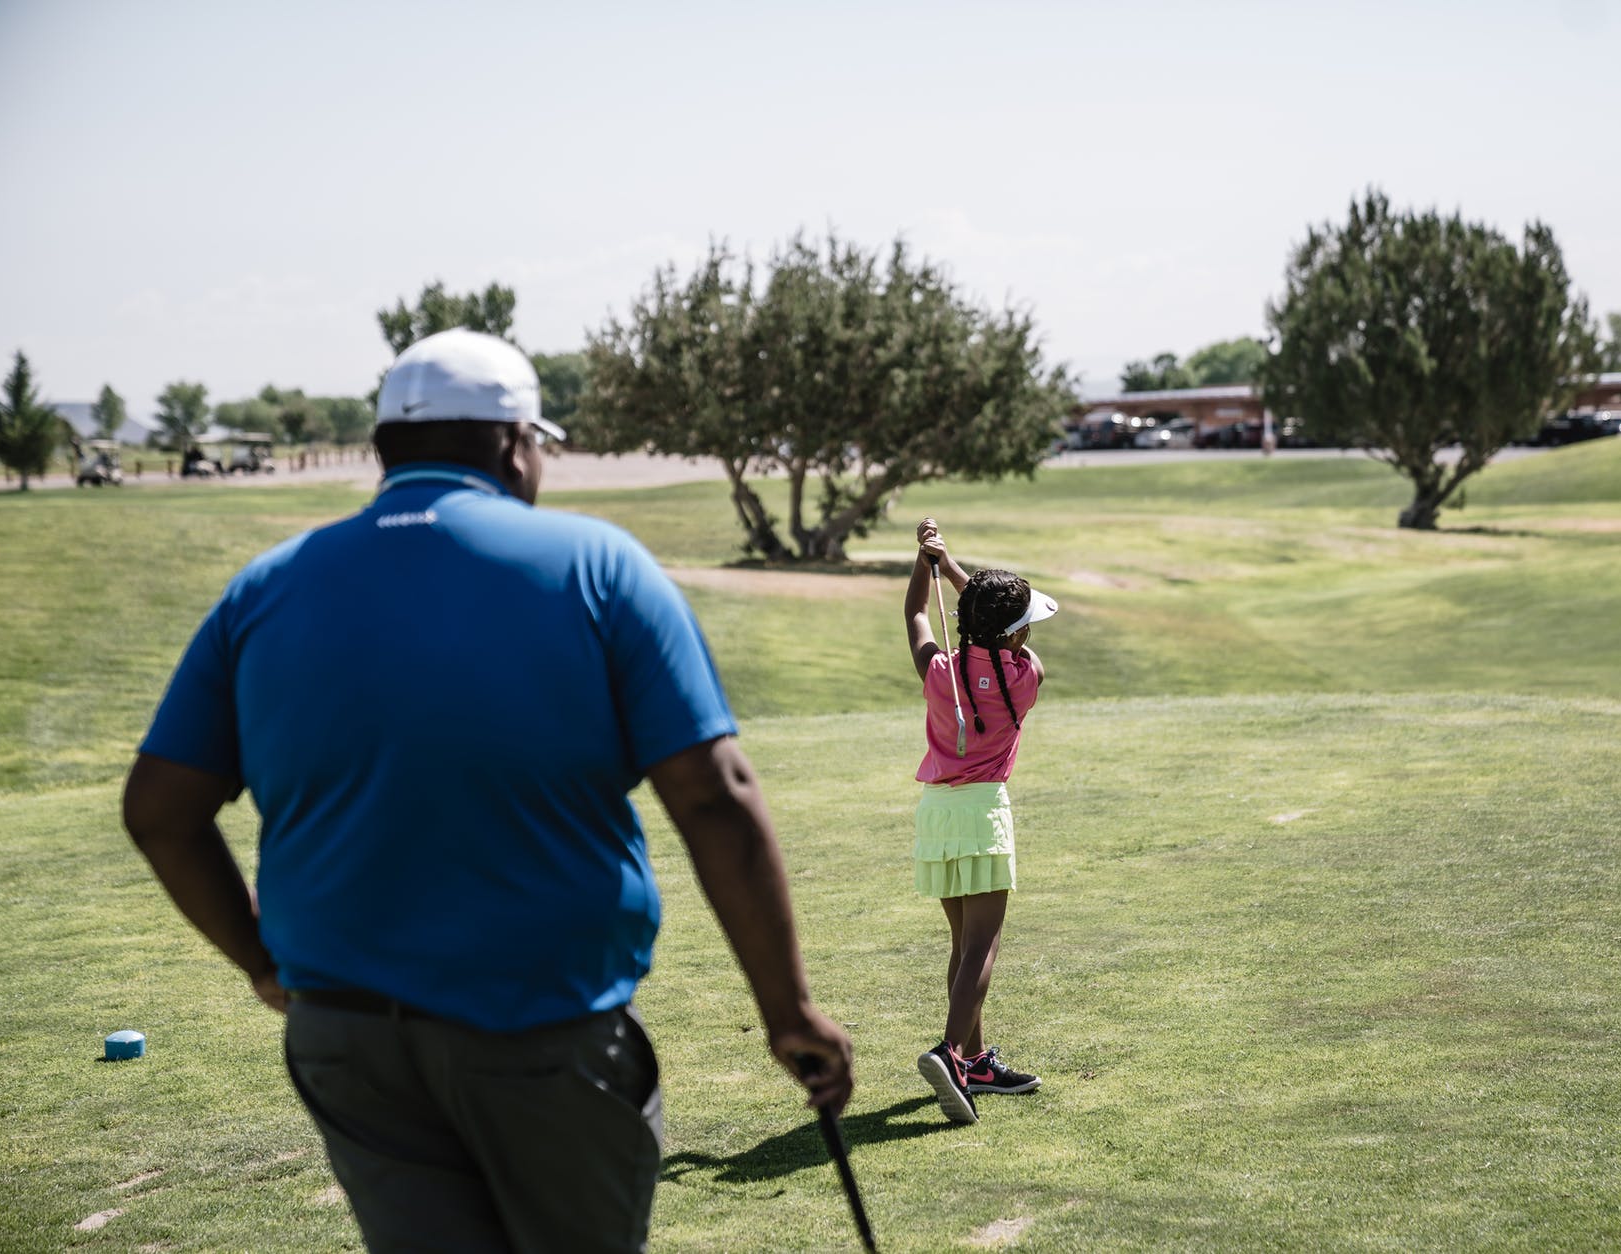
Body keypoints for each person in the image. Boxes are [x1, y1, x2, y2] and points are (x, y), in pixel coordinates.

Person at [122, 328, 852, 1252]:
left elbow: (157, 811)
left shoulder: (263, 590)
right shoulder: (599, 566)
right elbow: (712, 794)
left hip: (346, 1039)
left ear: (386, 449)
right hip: (540, 1027)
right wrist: (787, 1014)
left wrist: (264, 965)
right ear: (515, 443)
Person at [903, 517, 1057, 1125]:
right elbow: (1010, 639)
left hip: (936, 815)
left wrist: (928, 563)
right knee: (983, 946)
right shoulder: (1024, 679)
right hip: (984, 812)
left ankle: (974, 1058)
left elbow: (918, 613)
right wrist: (956, 568)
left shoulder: (939, 672)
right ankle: (950, 1053)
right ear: (1016, 635)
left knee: (962, 945)